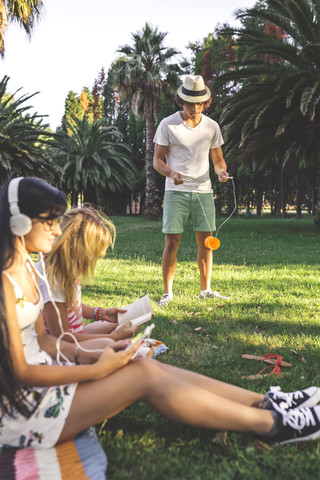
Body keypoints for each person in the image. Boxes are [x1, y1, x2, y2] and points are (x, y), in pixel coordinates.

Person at [1, 177, 320, 451]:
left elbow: (45, 343)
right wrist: (96, 369)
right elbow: (20, 372)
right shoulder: (5, 283)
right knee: (145, 374)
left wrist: (95, 351)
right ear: (19, 223)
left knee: (140, 362)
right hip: (24, 410)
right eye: (50, 221)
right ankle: (272, 424)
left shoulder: (29, 268)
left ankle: (264, 403)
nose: (57, 230)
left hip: (47, 380)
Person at [153, 75, 229, 306]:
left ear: (205, 103)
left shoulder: (211, 127)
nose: (193, 108)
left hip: (204, 191)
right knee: (171, 242)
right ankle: (168, 293)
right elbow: (157, 160)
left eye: (198, 104)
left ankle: (205, 290)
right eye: (189, 103)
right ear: (181, 101)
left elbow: (218, 160)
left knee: (206, 242)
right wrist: (171, 173)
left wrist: (221, 172)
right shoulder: (168, 124)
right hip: (176, 192)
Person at [37, 207, 137, 351]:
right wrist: (112, 338)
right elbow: (62, 338)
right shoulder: (52, 278)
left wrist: (101, 313)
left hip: (76, 334)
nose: (96, 259)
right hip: (63, 349)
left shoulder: (67, 266)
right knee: (116, 344)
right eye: (94, 254)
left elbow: (70, 304)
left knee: (123, 322)